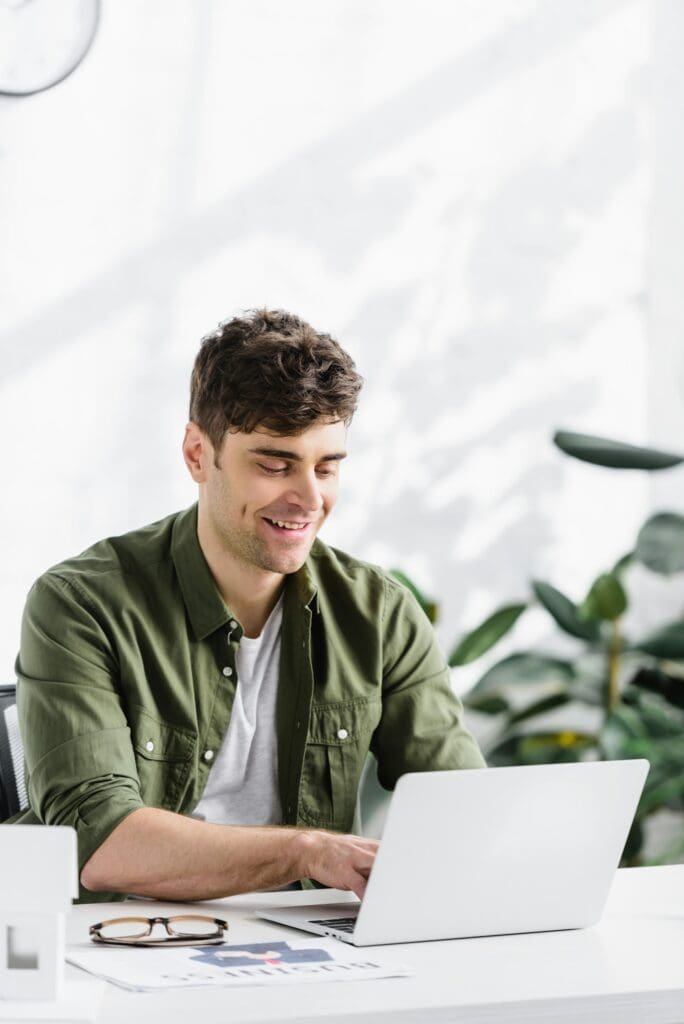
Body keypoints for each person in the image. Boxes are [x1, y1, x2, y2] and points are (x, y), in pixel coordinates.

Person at [13, 309, 485, 904]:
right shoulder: (81, 605)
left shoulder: (378, 612)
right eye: (274, 464)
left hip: (308, 956)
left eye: (328, 466)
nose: (310, 498)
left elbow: (464, 811)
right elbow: (99, 841)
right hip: (115, 946)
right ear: (196, 454)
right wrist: (307, 851)